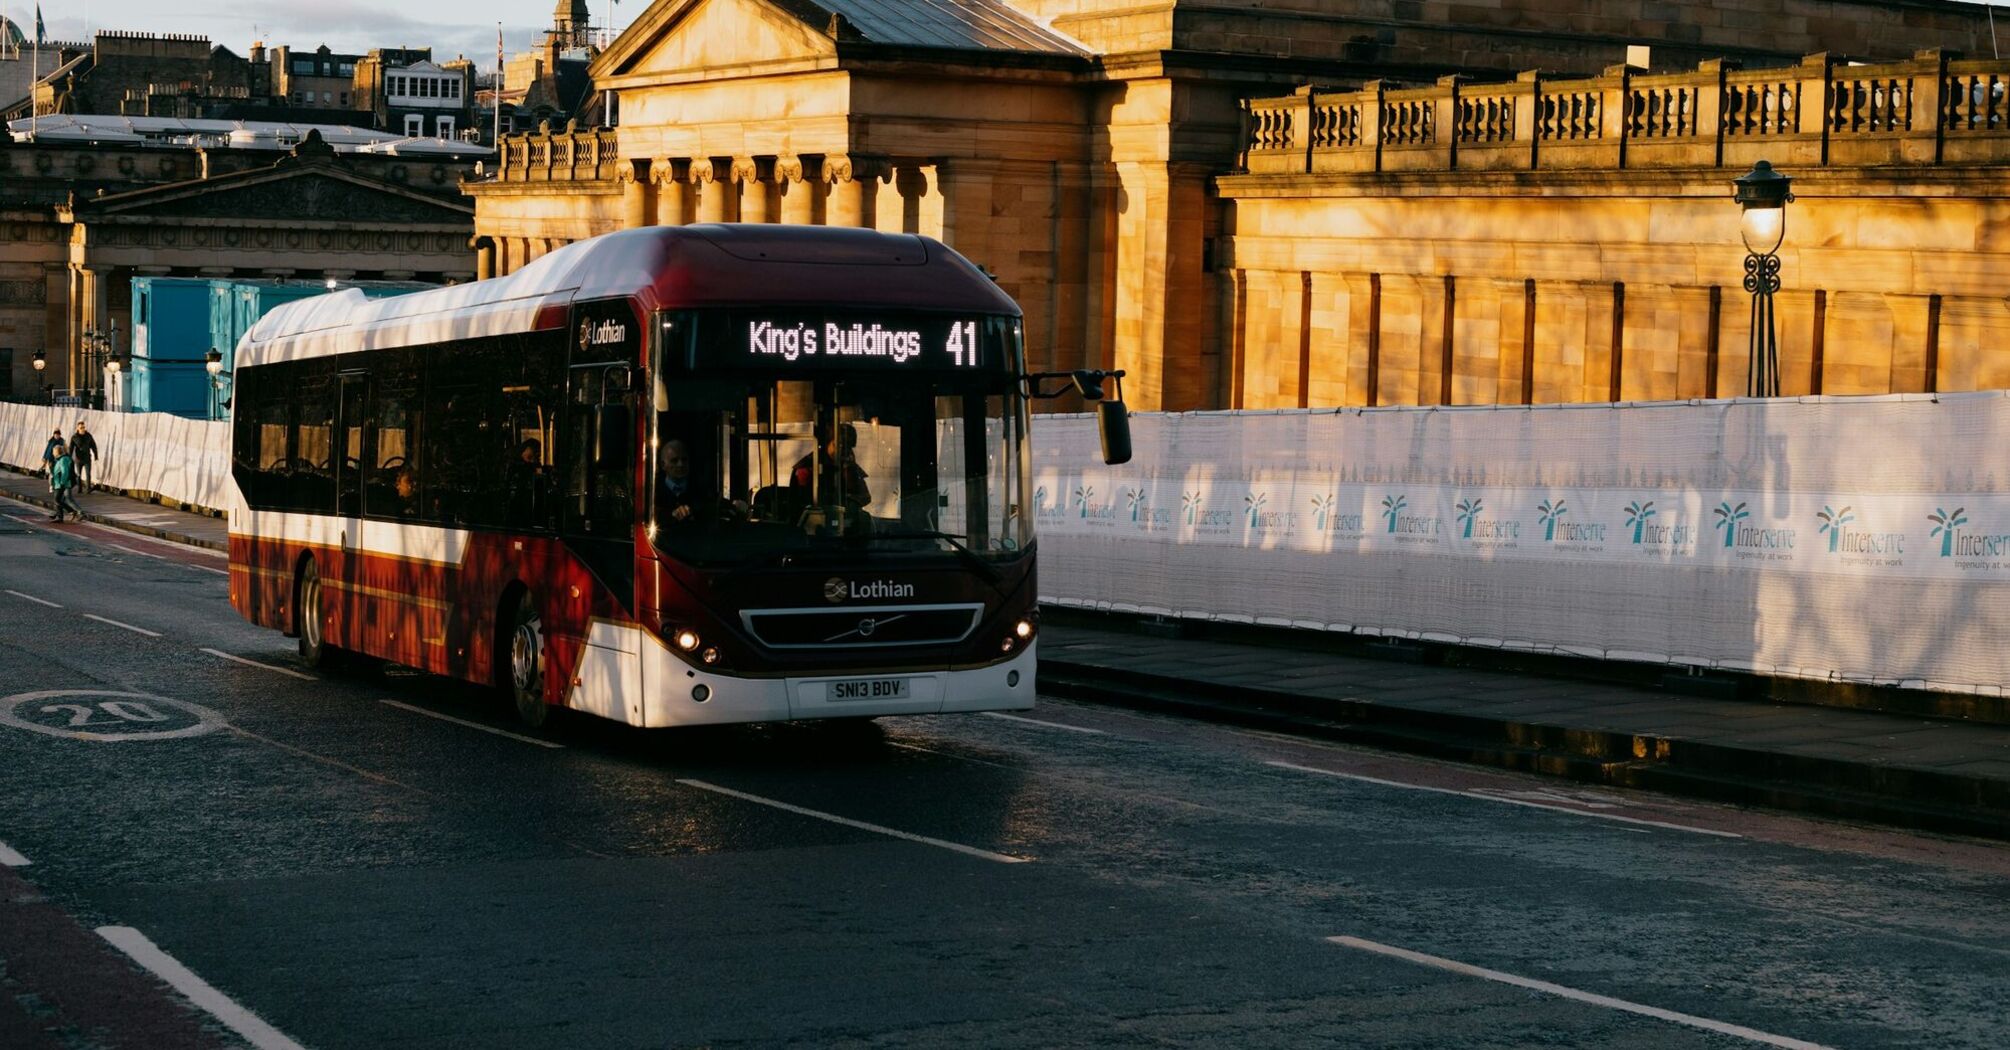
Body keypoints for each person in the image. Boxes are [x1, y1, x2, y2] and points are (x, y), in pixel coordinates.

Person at [790, 421, 871, 510]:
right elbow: (802, 500)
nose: (843, 449)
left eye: (847, 446)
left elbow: (865, 496)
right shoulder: (808, 467)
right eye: (839, 444)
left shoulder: (848, 465)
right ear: (828, 443)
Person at [48, 442, 81, 522]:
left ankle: (72, 511)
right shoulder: (58, 459)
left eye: (53, 451)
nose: (53, 453)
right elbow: (55, 472)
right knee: (59, 500)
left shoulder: (63, 460)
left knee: (58, 500)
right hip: (57, 483)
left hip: (61, 483)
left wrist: (62, 482)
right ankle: (60, 516)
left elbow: (64, 472)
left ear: (57, 452)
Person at [70, 420, 99, 493]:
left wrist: (96, 455)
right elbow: (71, 448)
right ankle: (80, 489)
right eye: (81, 428)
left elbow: (93, 445)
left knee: (88, 474)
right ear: (78, 428)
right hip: (78, 458)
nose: (82, 429)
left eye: (83, 427)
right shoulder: (74, 437)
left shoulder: (88, 435)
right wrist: (69, 457)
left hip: (87, 458)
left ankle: (88, 488)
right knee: (79, 474)